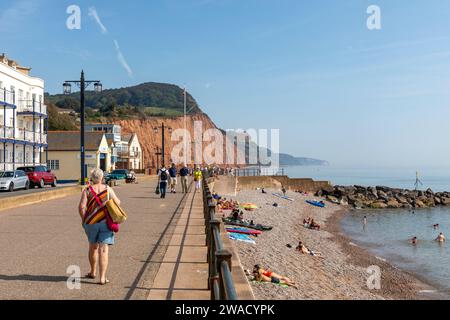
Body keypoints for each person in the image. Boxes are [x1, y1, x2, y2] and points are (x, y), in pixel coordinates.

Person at [78, 168, 121, 285]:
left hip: (91, 223)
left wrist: (84, 220)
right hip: (105, 223)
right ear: (102, 178)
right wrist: (107, 203)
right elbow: (117, 202)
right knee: (103, 249)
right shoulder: (107, 189)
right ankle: (102, 278)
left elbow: (81, 207)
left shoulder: (87, 190)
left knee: (93, 247)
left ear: (92, 178)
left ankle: (93, 272)